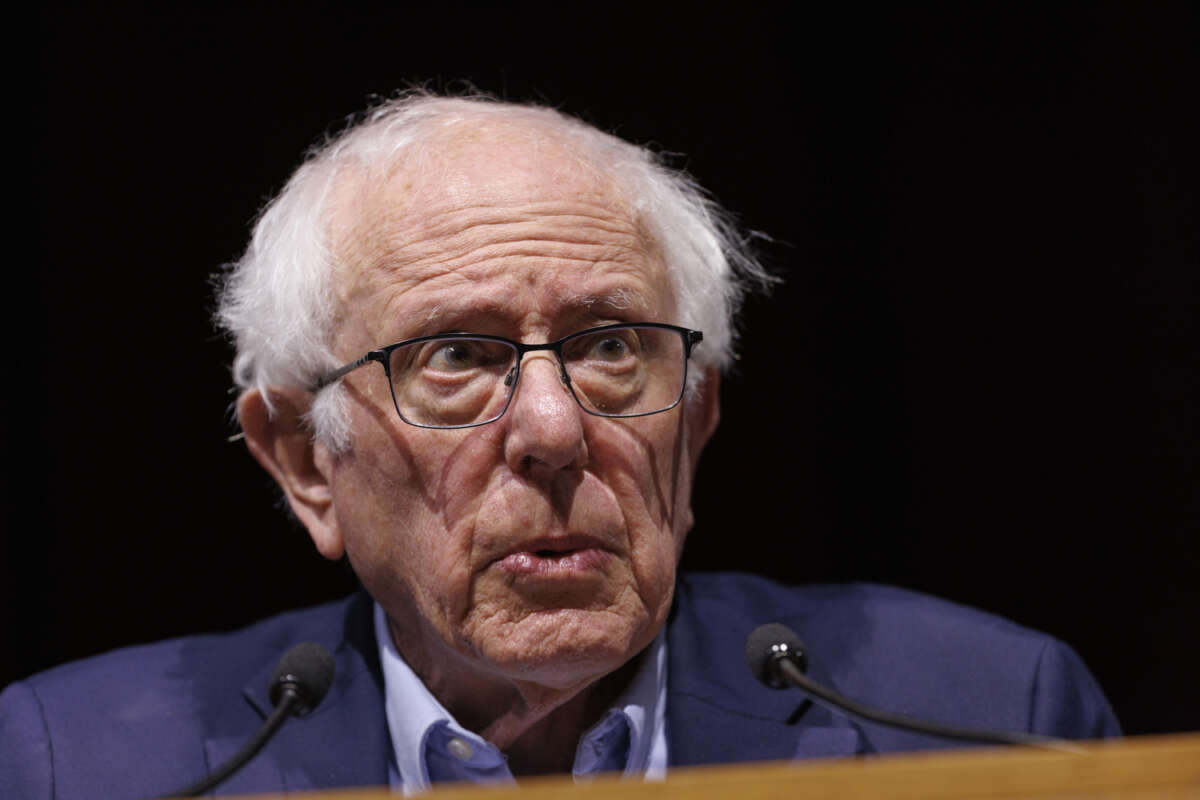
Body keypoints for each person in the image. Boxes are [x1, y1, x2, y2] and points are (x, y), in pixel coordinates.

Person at [1, 92, 1119, 798]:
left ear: (701, 416)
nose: (552, 428)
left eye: (614, 346)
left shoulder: (993, 721)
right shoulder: (76, 763)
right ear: (304, 460)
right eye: (455, 357)